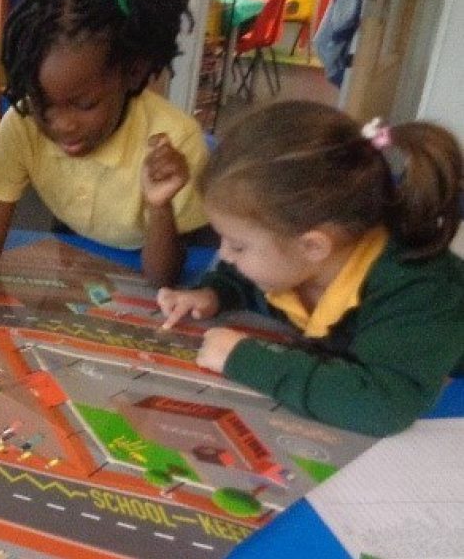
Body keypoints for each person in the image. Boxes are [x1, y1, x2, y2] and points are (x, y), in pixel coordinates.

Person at [0, 0, 212, 322]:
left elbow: (163, 277)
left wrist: (159, 206)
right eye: (42, 102)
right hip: (74, 246)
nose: (61, 125)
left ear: (132, 72)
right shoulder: (22, 126)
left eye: (84, 105)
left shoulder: (177, 141)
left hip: (158, 256)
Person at [156, 101, 464, 437]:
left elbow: (383, 405)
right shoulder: (301, 259)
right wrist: (213, 293)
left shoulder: (417, 290)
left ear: (313, 246)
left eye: (238, 245)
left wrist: (244, 359)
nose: (224, 255)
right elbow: (250, 282)